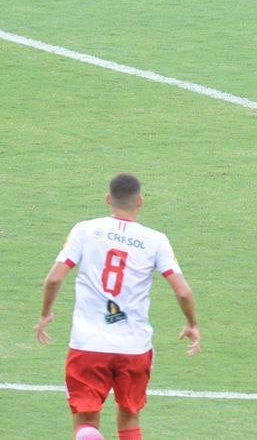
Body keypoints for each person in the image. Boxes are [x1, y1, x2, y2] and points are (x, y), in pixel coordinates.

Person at [35, 173, 201, 440]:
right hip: (134, 347)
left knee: (85, 420)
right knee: (130, 414)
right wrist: (192, 323)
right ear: (140, 201)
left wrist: (45, 314)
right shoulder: (155, 240)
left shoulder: (85, 230)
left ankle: (89, 434)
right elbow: (182, 291)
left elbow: (54, 278)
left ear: (108, 199)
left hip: (88, 344)